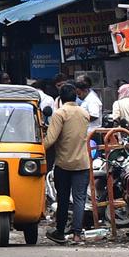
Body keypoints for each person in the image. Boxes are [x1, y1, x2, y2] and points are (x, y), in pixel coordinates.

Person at [44, 83, 92, 245]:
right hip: (82, 162)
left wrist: (36, 148)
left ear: (61, 97)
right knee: (79, 199)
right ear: (75, 96)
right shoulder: (84, 113)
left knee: (63, 198)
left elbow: (50, 139)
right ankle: (77, 234)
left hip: (64, 163)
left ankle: (60, 232)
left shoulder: (60, 113)